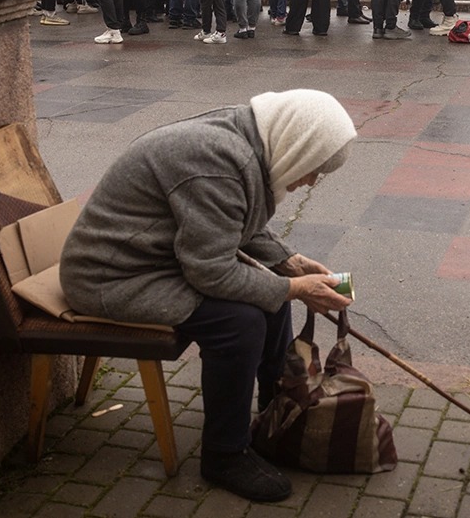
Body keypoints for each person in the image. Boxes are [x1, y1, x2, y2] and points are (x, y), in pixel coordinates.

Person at [60, 89, 356, 503]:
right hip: (111, 276)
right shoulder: (219, 160)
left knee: (266, 296)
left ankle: (276, 408)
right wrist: (293, 288)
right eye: (314, 169)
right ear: (297, 143)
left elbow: (239, 225)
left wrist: (289, 263)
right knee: (239, 323)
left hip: (157, 261)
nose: (309, 181)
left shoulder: (249, 140)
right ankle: (224, 453)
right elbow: (211, 271)